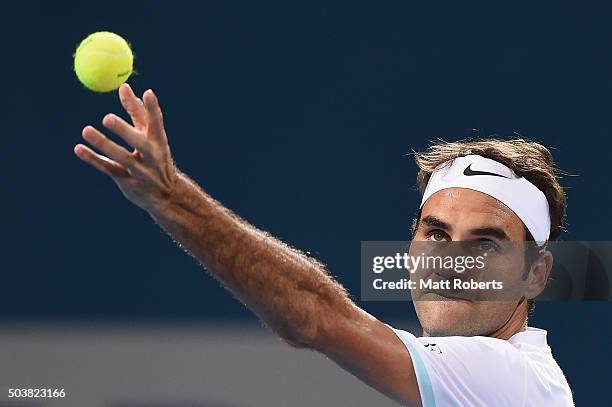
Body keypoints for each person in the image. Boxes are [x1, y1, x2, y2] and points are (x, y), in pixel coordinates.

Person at [74, 84, 574, 406]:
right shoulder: (456, 380)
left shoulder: (511, 382)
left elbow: (313, 316)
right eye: (436, 234)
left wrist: (171, 198)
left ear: (535, 273)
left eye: (484, 245)